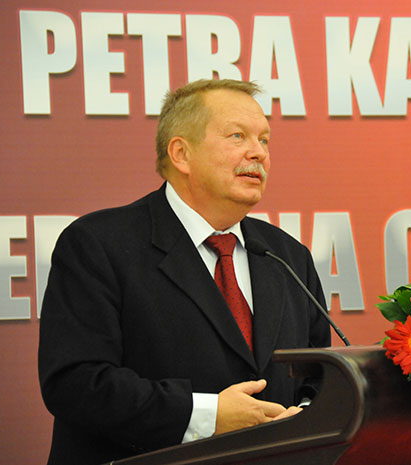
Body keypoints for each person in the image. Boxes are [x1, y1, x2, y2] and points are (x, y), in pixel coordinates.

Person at [38, 79, 331, 465]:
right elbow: (76, 383)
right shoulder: (98, 244)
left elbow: (317, 373)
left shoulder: (287, 255)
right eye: (237, 136)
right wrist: (207, 417)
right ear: (181, 154)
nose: (258, 152)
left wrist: (305, 419)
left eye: (264, 140)